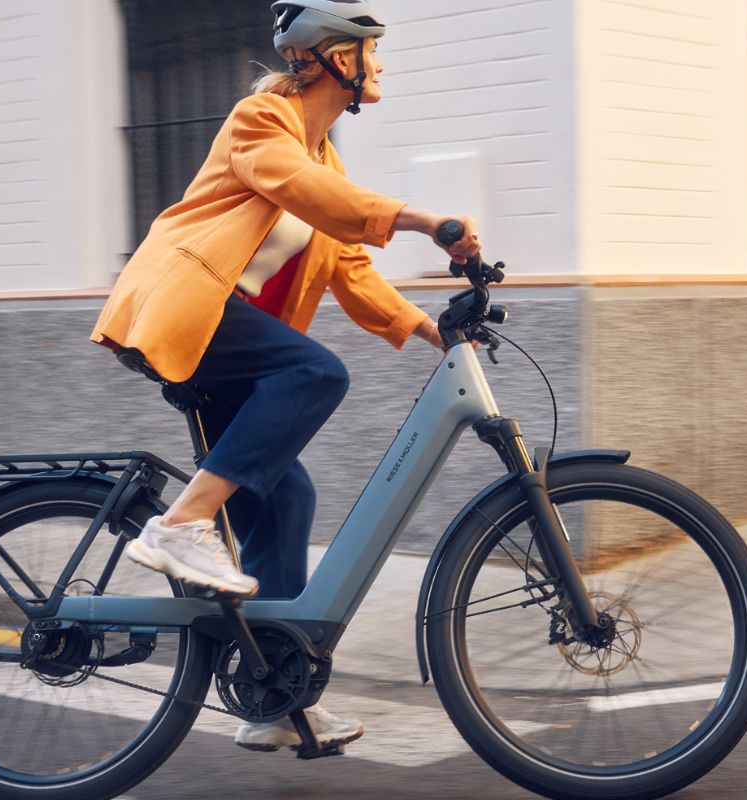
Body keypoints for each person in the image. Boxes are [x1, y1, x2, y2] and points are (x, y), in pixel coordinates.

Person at [88, 0, 480, 753]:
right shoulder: (261, 124)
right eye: (370, 51)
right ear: (337, 59)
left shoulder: (327, 160)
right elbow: (303, 191)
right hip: (191, 309)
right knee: (315, 372)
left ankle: (271, 698)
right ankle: (182, 524)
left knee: (287, 494)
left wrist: (431, 331)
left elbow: (350, 268)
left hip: (230, 341)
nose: (379, 64)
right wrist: (421, 219)